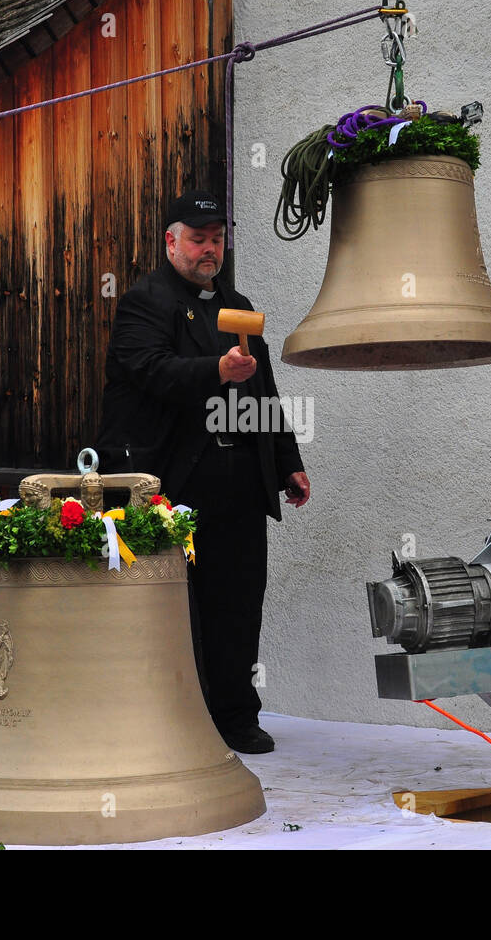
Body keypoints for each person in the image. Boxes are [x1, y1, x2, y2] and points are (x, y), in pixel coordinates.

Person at [95, 190, 310, 754]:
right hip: (172, 477)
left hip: (238, 476)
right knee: (163, 605)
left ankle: (235, 715)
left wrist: (288, 462)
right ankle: (164, 715)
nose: (209, 248)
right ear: (171, 241)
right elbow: (149, 371)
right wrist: (216, 370)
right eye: (197, 238)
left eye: (217, 238)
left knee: (237, 602)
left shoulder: (238, 306)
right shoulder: (146, 301)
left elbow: (265, 390)